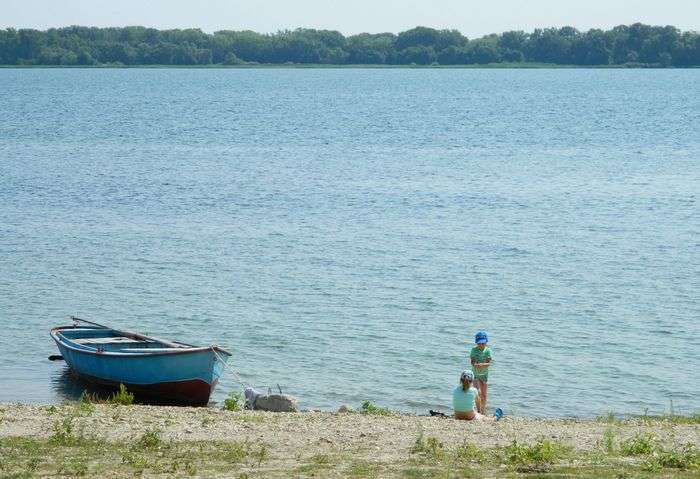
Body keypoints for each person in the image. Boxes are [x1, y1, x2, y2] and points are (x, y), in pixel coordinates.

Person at [470, 331, 492, 414]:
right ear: (476, 343)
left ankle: (483, 410)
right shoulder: (474, 350)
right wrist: (475, 364)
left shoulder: (488, 350)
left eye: (483, 343)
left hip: (484, 375)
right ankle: (479, 410)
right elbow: (472, 362)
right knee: (476, 392)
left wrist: (482, 364)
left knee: (484, 394)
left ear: (486, 342)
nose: (481, 345)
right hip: (475, 374)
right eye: (479, 343)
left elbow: (489, 363)